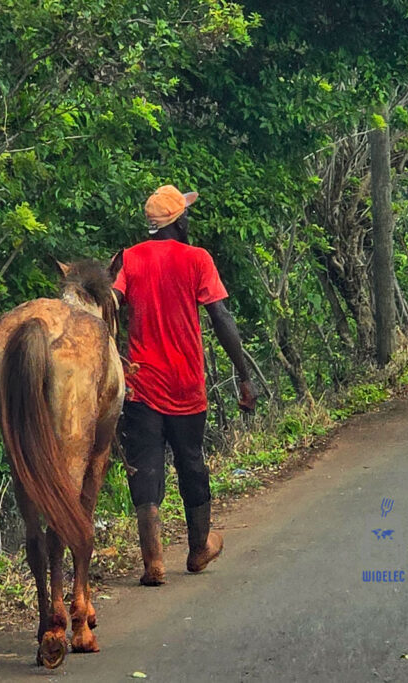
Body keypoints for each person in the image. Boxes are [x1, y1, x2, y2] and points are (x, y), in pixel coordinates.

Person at [112, 184, 257, 586]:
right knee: (191, 459)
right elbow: (222, 318)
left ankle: (154, 562)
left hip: (140, 384)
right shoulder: (197, 259)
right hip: (186, 384)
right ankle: (198, 549)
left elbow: (108, 306)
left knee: (146, 464)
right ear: (178, 220)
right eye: (186, 213)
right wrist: (244, 376)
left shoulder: (129, 259)